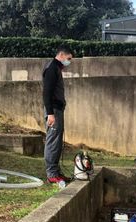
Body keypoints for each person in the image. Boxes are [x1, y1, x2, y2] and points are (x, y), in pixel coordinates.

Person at [42, 45, 73, 186]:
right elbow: (46, 93)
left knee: (57, 142)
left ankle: (56, 171)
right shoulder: (51, 69)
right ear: (61, 55)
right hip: (53, 111)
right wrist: (50, 114)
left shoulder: (56, 68)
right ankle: (52, 174)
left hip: (58, 110)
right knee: (53, 141)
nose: (69, 62)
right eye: (68, 59)